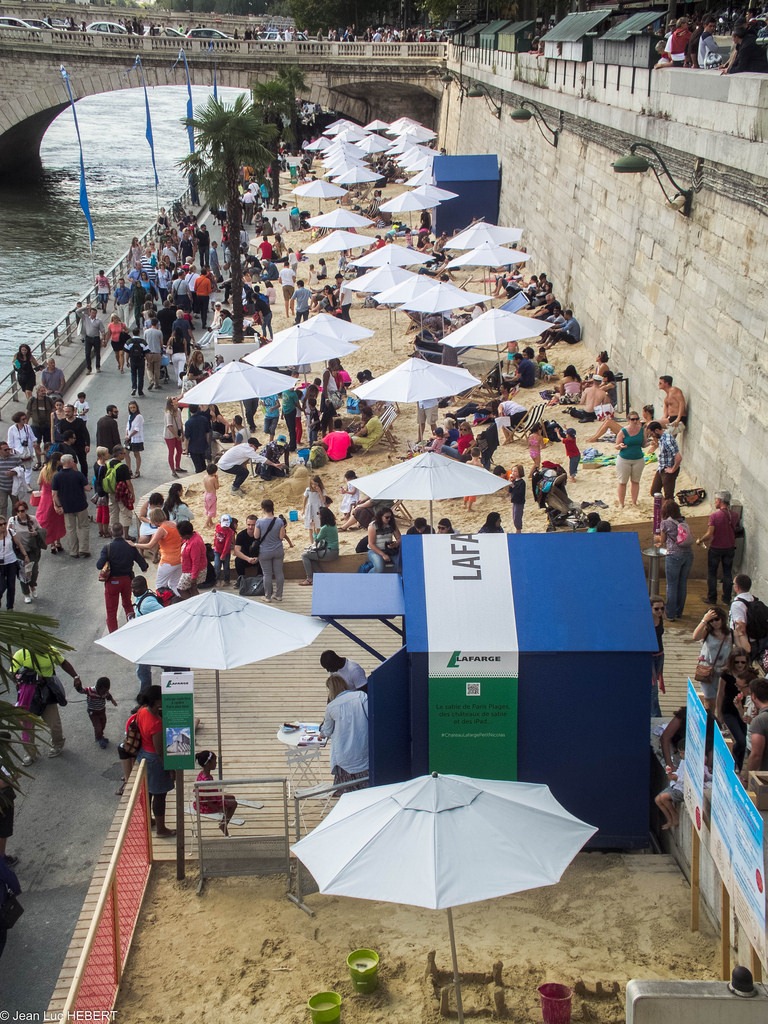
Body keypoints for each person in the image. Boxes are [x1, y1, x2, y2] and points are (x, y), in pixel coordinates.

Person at [12, 646, 83, 760]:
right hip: (28, 696)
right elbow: (13, 673)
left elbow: (63, 663)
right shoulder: (20, 654)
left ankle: (57, 744)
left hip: (47, 692)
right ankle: (30, 753)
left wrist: (75, 677)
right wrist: (26, 677)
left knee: (54, 723)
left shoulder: (50, 651)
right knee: (27, 726)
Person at [134, 685, 176, 837]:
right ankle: (161, 829)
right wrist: (170, 769)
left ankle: (148, 820)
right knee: (159, 795)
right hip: (154, 760)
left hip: (143, 754)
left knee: (147, 791)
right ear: (157, 701)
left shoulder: (142, 711)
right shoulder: (156, 723)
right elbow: (160, 751)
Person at [319, 673, 369, 789]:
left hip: (344, 757)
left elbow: (326, 731)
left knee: (347, 794)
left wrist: (321, 733)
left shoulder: (331, 707)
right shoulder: (361, 696)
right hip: (363, 750)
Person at [97, 524, 149, 633]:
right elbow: (142, 563)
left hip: (112, 582)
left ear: (111, 533)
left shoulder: (108, 548)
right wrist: (144, 567)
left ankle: (114, 635)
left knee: (111, 611)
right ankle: (132, 627)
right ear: (122, 532)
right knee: (127, 604)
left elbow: (99, 565)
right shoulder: (129, 546)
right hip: (127, 580)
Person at [697, 490, 740, 606]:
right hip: (730, 547)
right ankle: (726, 598)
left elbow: (710, 534)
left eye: (716, 499)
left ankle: (712, 598)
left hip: (716, 548)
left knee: (712, 574)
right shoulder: (734, 515)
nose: (715, 501)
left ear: (720, 501)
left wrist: (700, 540)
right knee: (727, 573)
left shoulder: (714, 516)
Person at [655, 499, 695, 620]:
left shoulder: (665, 523)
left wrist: (656, 538)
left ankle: (670, 614)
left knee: (672, 585)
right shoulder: (682, 520)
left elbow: (662, 540)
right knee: (682, 584)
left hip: (673, 555)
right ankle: (678, 612)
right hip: (688, 554)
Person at [715, 651, 751, 771]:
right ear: (732, 661)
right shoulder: (726, 674)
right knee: (740, 740)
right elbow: (720, 694)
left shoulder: (749, 675)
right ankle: (730, 760)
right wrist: (718, 713)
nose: (740, 665)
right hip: (728, 710)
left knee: (744, 743)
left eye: (743, 662)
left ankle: (738, 769)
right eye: (737, 662)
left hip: (743, 710)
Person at [692, 606, 733, 709]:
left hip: (724, 670)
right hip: (708, 670)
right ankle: (709, 720)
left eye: (717, 619)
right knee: (709, 699)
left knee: (723, 699)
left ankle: (719, 720)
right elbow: (695, 637)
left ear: (722, 619)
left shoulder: (730, 634)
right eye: (711, 620)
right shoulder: (707, 631)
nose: (714, 622)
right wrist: (704, 620)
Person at [51, 454, 90, 558]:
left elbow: (54, 494)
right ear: (69, 462)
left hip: (66, 507)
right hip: (80, 505)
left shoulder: (57, 476)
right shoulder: (78, 474)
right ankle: (84, 549)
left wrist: (58, 506)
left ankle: (73, 551)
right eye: (73, 460)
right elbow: (87, 488)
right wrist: (89, 486)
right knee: (83, 526)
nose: (74, 462)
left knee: (70, 529)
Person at [136, 510, 183, 595]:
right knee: (174, 584)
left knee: (160, 585)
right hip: (179, 559)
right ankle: (178, 600)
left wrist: (135, 544)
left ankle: (164, 603)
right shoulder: (174, 524)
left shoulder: (162, 529)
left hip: (168, 561)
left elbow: (149, 545)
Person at [254, 499, 292, 603]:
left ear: (263, 508)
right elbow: (281, 536)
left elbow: (256, 536)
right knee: (279, 573)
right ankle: (279, 595)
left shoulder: (259, 522)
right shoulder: (279, 521)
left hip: (264, 551)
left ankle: (268, 596)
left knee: (267, 574)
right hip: (278, 550)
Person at [194, 751, 238, 835]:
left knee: (232, 797)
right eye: (215, 761)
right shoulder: (207, 781)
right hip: (206, 805)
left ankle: (224, 822)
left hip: (203, 800)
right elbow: (208, 801)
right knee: (234, 803)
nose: (216, 763)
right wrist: (218, 809)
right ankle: (223, 824)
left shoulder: (201, 774)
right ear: (208, 764)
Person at [8, 501, 44, 604]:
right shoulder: (12, 521)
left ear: (26, 510)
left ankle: (32, 586)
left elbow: (41, 530)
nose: (20, 513)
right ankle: (26, 593)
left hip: (32, 549)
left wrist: (36, 533)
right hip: (19, 551)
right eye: (18, 511)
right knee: (23, 573)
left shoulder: (32, 519)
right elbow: (8, 534)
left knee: (34, 571)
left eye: (22, 511)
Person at [73, 675, 117, 749]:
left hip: (102, 710)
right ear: (97, 687)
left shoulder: (105, 692)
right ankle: (99, 738)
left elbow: (108, 696)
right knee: (98, 726)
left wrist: (113, 701)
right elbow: (81, 690)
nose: (104, 693)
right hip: (93, 712)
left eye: (106, 691)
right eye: (102, 691)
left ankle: (100, 735)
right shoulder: (90, 690)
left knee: (103, 723)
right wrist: (78, 685)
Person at [35, 453, 66, 554]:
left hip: (45, 498)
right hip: (55, 498)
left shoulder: (44, 469)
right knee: (57, 521)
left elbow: (39, 482)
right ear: (57, 461)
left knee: (48, 521)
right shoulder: (57, 473)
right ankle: (58, 542)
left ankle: (52, 544)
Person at [300, 506, 339, 585]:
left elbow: (316, 539)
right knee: (311, 557)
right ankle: (320, 575)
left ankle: (309, 578)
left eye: (319, 514)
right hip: (334, 551)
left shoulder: (325, 528)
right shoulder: (333, 525)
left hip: (330, 552)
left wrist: (313, 527)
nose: (318, 516)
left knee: (304, 555)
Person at [740, 678, 768, 786]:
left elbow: (756, 754)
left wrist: (746, 779)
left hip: (765, 779)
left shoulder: (760, 721)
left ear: (754, 696)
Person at [615, 411, 646, 508]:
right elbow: (616, 446)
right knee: (623, 482)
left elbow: (644, 444)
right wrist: (620, 446)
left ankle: (634, 502)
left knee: (635, 481)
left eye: (637, 419)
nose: (635, 421)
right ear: (628, 420)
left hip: (638, 459)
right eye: (633, 419)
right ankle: (621, 503)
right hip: (624, 459)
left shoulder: (641, 430)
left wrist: (652, 444)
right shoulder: (623, 431)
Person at [0, 516, 29, 612]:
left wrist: (25, 555)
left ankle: (10, 607)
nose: (3, 526)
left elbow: (19, 544)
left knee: (11, 586)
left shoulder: (11, 532)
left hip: (11, 562)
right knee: (2, 587)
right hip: (0, 565)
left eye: (4, 523)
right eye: (1, 525)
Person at [648, 421, 682, 499]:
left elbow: (678, 457)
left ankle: (669, 509)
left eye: (652, 434)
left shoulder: (667, 440)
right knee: (654, 491)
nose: (652, 436)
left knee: (669, 496)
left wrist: (673, 469)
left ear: (656, 431)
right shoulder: (662, 438)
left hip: (668, 470)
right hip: (661, 468)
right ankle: (664, 507)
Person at [176, 520, 208, 600]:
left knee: (181, 589)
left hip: (193, 571)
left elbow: (195, 562)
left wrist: (194, 577)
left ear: (186, 535)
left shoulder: (194, 544)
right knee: (192, 588)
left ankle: (192, 602)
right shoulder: (194, 536)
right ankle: (195, 602)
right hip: (192, 569)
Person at [366, 507, 401, 573]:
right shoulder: (373, 526)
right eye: (387, 517)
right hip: (375, 550)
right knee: (379, 568)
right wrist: (383, 554)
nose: (389, 519)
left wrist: (396, 543)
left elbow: (399, 538)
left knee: (400, 564)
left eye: (390, 517)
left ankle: (392, 578)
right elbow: (371, 544)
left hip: (389, 549)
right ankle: (369, 576)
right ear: (380, 517)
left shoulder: (392, 524)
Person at [183, 405, 211, 474]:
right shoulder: (204, 419)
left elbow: (187, 438)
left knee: (197, 466)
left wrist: (185, 448)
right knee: (203, 464)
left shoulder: (188, 423)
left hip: (193, 447)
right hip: (203, 444)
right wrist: (207, 442)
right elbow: (207, 433)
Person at [651, 595, 665, 717]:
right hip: (649, 656)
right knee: (653, 688)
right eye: (656, 609)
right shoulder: (646, 622)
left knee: (654, 683)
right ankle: (655, 716)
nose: (660, 611)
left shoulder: (660, 619)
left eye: (662, 608)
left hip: (660, 655)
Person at [163, 396, 185, 478]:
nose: (176, 399)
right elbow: (169, 426)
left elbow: (180, 422)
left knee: (179, 450)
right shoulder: (168, 413)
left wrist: (182, 434)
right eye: (174, 399)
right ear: (171, 403)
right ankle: (173, 470)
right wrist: (177, 436)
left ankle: (177, 467)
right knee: (171, 452)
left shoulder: (178, 410)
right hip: (169, 436)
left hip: (177, 434)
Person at [302, 475, 326, 544]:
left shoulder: (322, 490)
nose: (313, 485)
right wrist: (303, 509)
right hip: (310, 508)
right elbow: (305, 499)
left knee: (318, 526)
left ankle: (318, 541)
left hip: (318, 508)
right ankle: (312, 543)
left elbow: (323, 501)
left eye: (315, 484)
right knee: (310, 527)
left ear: (319, 483)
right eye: (312, 484)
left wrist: (319, 492)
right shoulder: (308, 490)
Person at [124, 400, 145, 479]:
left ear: (136, 407)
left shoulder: (139, 416)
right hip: (129, 438)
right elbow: (127, 426)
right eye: (131, 408)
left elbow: (136, 429)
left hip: (136, 439)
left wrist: (129, 436)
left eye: (133, 407)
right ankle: (129, 470)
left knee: (136, 454)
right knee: (126, 453)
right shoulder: (130, 416)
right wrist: (126, 434)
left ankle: (137, 470)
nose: (132, 409)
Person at [213, 514, 235, 584]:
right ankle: (216, 579)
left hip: (226, 552)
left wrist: (223, 554)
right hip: (217, 550)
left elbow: (227, 544)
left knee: (226, 567)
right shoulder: (217, 527)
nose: (225, 527)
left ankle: (227, 580)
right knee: (217, 566)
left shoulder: (230, 532)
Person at [508, 464, 525, 534]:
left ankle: (518, 530)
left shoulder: (522, 482)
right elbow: (510, 491)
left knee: (517, 517)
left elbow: (520, 492)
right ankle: (517, 529)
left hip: (519, 502)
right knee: (514, 516)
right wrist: (510, 484)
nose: (513, 473)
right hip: (514, 501)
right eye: (512, 471)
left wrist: (513, 486)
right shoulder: (514, 481)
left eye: (515, 471)